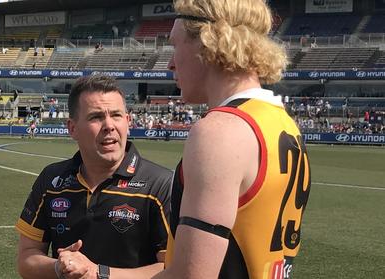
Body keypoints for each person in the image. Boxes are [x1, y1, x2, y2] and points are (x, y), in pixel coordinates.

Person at [154, 0, 311, 278]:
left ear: (206, 43)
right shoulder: (282, 122)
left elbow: (191, 275)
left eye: (174, 45)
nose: (169, 63)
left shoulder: (219, 131)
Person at [16, 75, 173, 279]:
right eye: (96, 117)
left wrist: (99, 273)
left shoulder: (159, 185)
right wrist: (60, 267)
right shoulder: (51, 180)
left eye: (116, 115)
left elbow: (172, 270)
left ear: (128, 122)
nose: (109, 125)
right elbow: (27, 257)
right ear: (72, 128)